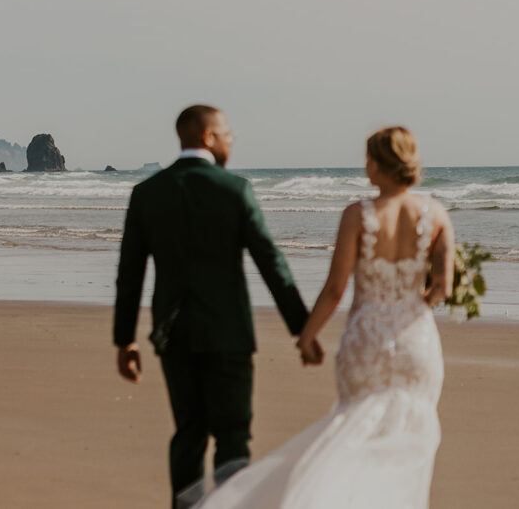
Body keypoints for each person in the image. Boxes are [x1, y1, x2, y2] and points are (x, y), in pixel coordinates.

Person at [190, 126, 455, 509]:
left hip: (367, 342)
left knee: (352, 433)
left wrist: (307, 336)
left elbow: (335, 289)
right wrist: (413, 307)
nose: (365, 165)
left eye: (369, 158)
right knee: (410, 445)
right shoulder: (436, 214)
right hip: (417, 343)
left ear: (381, 164)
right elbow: (443, 286)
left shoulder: (358, 215)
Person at [112, 105, 313, 509]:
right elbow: (271, 262)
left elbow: (130, 272)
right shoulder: (234, 190)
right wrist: (302, 329)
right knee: (233, 436)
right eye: (226, 132)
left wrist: (124, 340)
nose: (231, 138)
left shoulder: (148, 193)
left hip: (174, 334)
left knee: (188, 432)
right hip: (228, 335)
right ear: (207, 137)